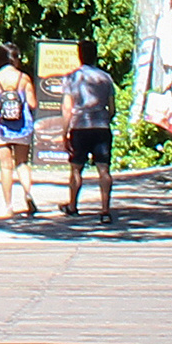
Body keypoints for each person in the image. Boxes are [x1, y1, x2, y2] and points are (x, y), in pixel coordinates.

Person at [0, 50, 42, 219]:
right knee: (22, 163)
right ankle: (28, 194)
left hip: (1, 128)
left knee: (6, 167)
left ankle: (8, 206)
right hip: (22, 126)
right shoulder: (24, 78)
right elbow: (32, 103)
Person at [62, 51, 119, 222]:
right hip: (101, 126)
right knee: (104, 169)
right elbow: (112, 108)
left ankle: (73, 206)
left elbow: (67, 108)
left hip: (80, 126)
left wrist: (65, 132)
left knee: (76, 168)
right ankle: (105, 210)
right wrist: (105, 119)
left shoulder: (72, 78)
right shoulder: (105, 78)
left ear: (79, 55)